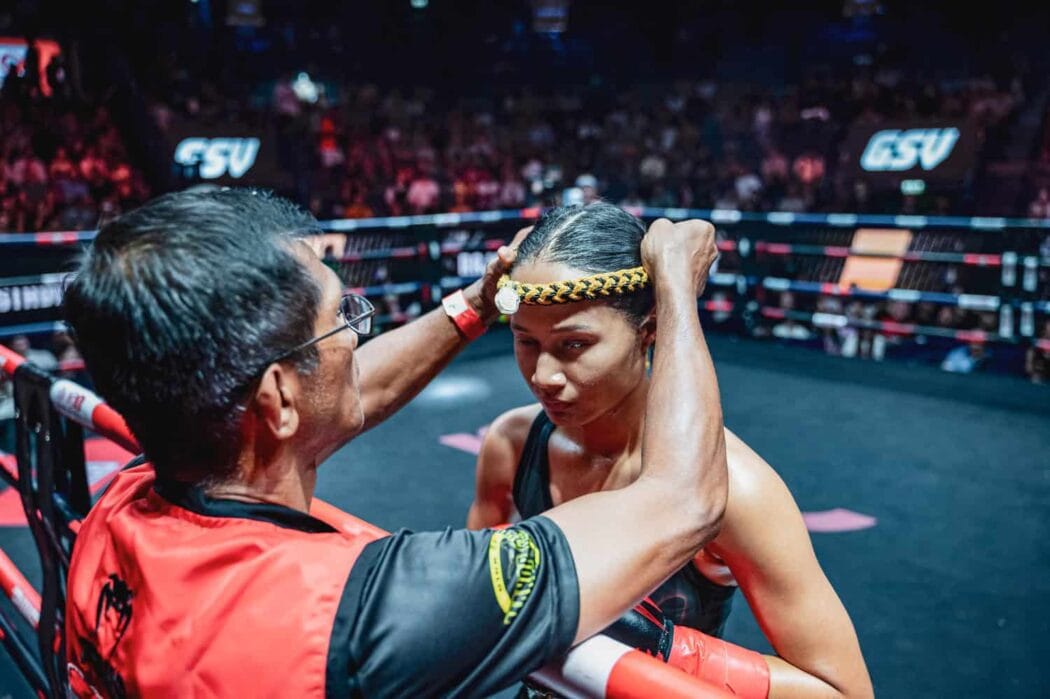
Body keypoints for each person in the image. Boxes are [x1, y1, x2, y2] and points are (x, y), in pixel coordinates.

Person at [61, 188, 730, 697]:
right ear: (278, 398)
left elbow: (341, 394)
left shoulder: (118, 506)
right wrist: (675, 288)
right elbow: (682, 498)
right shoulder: (366, 611)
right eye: (339, 322)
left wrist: (474, 304)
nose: (356, 337)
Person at [469, 203, 873, 698]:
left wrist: (665, 650)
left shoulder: (731, 485)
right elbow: (479, 606)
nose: (544, 377)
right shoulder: (512, 443)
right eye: (526, 342)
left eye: (574, 345)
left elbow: (843, 691)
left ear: (650, 328)